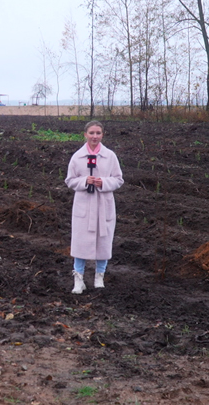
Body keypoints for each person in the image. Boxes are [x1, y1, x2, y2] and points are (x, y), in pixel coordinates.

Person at [64, 121, 124, 294]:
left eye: (98, 133)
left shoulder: (110, 156)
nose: (95, 136)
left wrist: (103, 182)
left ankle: (99, 277)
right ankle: (78, 280)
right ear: (85, 134)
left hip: (104, 205)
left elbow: (118, 179)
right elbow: (70, 180)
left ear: (102, 135)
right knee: (80, 243)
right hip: (84, 205)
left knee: (104, 242)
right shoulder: (77, 156)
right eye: (91, 133)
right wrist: (85, 181)